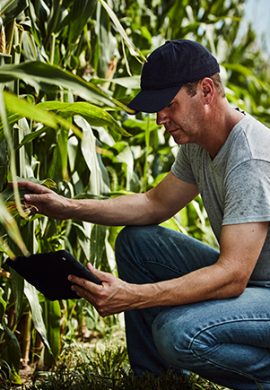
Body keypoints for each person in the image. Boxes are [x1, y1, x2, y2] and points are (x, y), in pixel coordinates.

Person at [19, 40, 270, 389]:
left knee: (177, 333)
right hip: (256, 285)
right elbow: (153, 204)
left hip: (260, 289)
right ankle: (156, 380)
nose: (160, 118)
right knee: (137, 242)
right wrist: (67, 207)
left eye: (169, 105)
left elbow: (232, 276)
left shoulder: (251, 156)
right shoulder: (198, 144)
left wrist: (133, 296)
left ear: (206, 91)